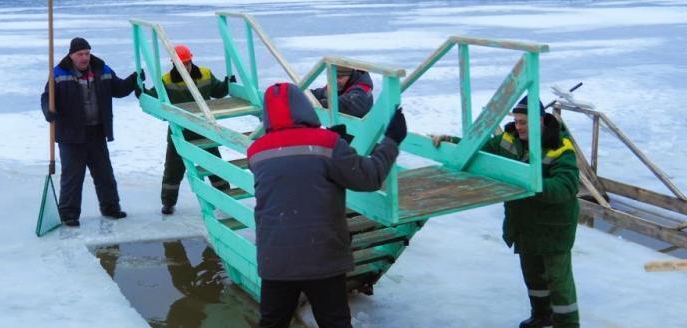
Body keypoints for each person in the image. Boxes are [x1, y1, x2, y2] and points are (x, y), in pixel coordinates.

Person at [247, 82, 406, 328]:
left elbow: (292, 165)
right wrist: (392, 140)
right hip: (322, 258)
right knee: (335, 323)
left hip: (276, 259)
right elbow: (370, 177)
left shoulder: (256, 151)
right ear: (303, 106)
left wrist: (331, 142)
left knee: (272, 323)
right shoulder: (328, 144)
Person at [432, 96, 580, 328]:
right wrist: (451, 141)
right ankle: (542, 316)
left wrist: (530, 182)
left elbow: (567, 187)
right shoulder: (508, 139)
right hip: (524, 222)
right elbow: (478, 151)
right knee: (533, 275)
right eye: (516, 121)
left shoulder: (561, 148)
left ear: (540, 121)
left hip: (553, 227)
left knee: (558, 282)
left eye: (523, 122)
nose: (518, 126)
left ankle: (568, 324)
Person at [41, 37, 139, 227]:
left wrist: (133, 81)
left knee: (104, 175)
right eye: (80, 54)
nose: (84, 58)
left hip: (96, 133)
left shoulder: (102, 69)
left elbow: (118, 89)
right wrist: (49, 112)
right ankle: (68, 214)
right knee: (72, 177)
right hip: (71, 136)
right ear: (72, 55)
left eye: (87, 53)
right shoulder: (58, 74)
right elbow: (46, 98)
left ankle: (111, 208)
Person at [143, 44, 232, 215]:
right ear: (174, 63)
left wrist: (227, 83)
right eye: (180, 64)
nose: (185, 66)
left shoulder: (205, 74)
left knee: (215, 165)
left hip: (203, 129)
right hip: (179, 131)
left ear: (191, 60)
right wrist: (141, 91)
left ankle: (225, 196)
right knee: (173, 169)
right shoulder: (166, 80)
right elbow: (154, 97)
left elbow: (218, 91)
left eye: (187, 63)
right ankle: (168, 203)